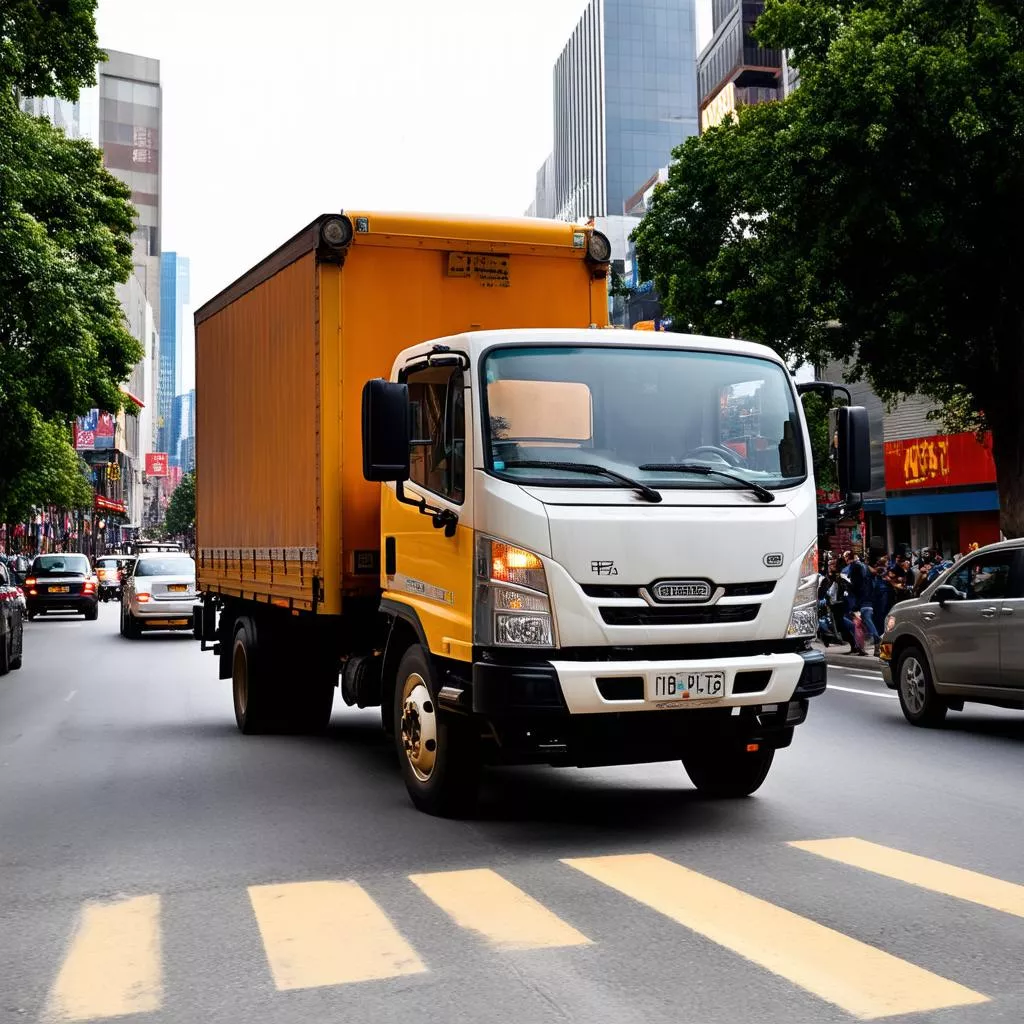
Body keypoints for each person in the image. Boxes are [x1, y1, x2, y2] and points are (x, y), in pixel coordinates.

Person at [845, 549, 881, 656]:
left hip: (862, 599)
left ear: (849, 558)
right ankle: (867, 645)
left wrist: (848, 586)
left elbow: (856, 585)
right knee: (865, 620)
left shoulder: (854, 567)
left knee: (865, 619)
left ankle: (876, 641)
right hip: (868, 598)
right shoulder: (865, 566)